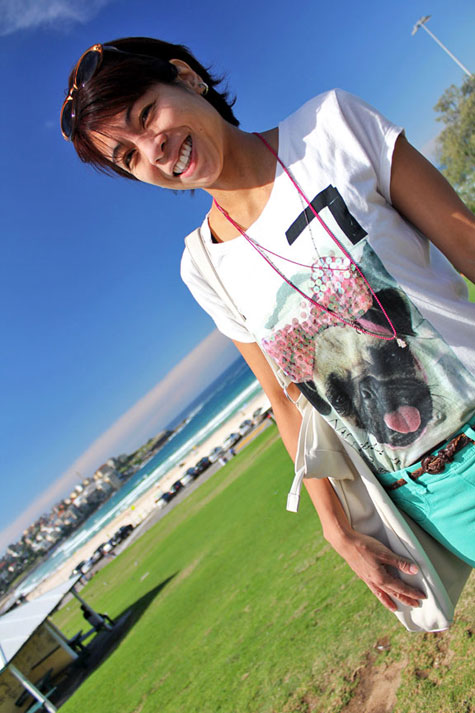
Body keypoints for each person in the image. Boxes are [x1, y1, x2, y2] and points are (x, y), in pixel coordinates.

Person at [61, 37, 475, 620]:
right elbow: (285, 399)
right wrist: (335, 528)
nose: (152, 151)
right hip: (428, 494)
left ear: (187, 77)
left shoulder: (331, 126)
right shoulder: (203, 265)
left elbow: (466, 242)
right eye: (128, 157)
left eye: (146, 115)